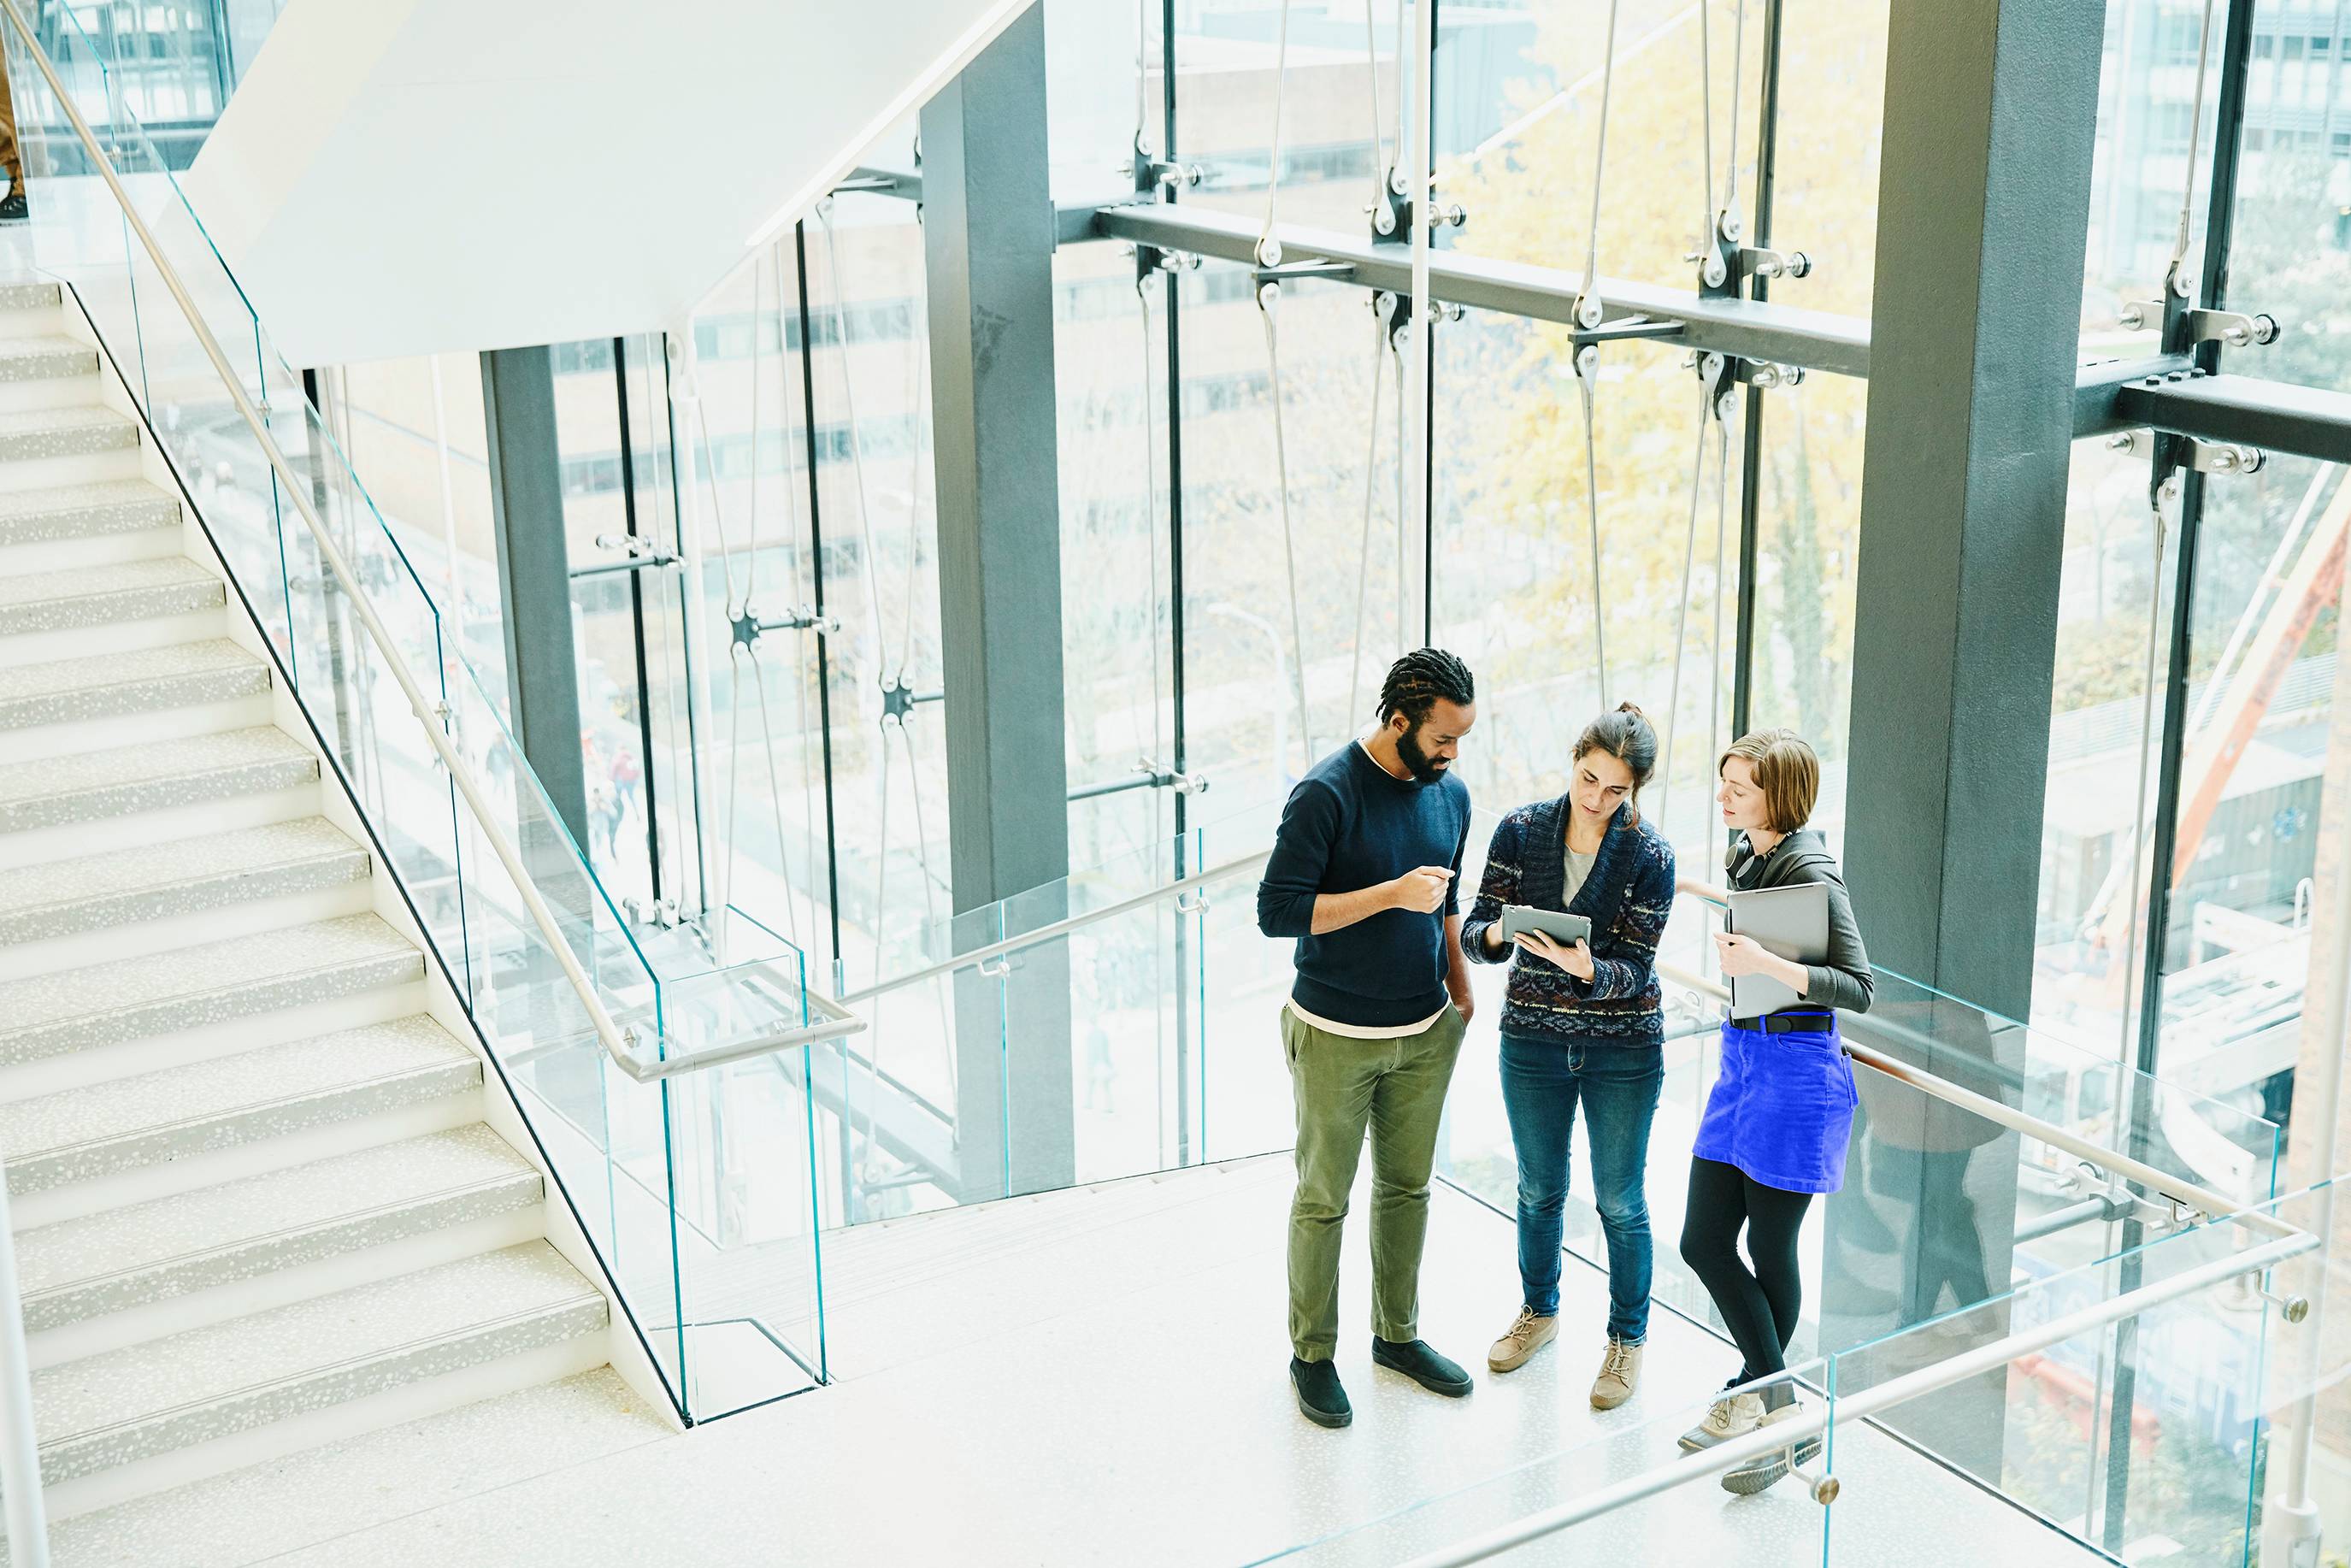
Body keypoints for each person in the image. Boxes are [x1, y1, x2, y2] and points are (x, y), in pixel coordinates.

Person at [1257, 647, 1479, 1430]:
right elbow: (1277, 912)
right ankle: (1311, 1356)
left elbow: (1447, 903)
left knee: (1409, 1190)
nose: (1453, 755)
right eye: (1443, 739)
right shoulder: (1326, 793)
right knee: (1324, 1200)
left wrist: (1458, 984)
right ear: (1398, 722)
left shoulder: (1449, 796)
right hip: (1334, 1035)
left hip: (1425, 1031)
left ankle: (1398, 1337)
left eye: (1460, 740)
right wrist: (1390, 895)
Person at [1674, 728, 1874, 1495]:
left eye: (1740, 788)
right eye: (1723, 781)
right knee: (1702, 1240)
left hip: (1795, 1073)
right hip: (1746, 1062)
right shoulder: (1748, 853)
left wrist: (1762, 964)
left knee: (1771, 1245)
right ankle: (1773, 1398)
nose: (1723, 797)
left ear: (1779, 797)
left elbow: (1857, 987)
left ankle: (1761, 1402)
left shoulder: (1810, 866)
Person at [1464, 703, 1676, 1411]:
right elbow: (1471, 932)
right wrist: (1498, 937)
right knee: (1537, 1189)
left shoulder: (1652, 857)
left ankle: (1626, 1339)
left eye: (1615, 790)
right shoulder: (1522, 831)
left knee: (1620, 1200)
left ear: (1634, 791)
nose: (1596, 799)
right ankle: (1540, 1312)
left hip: (1623, 1051)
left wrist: (1590, 972)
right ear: (1575, 758)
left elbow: (1640, 969)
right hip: (1532, 1041)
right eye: (1589, 779)